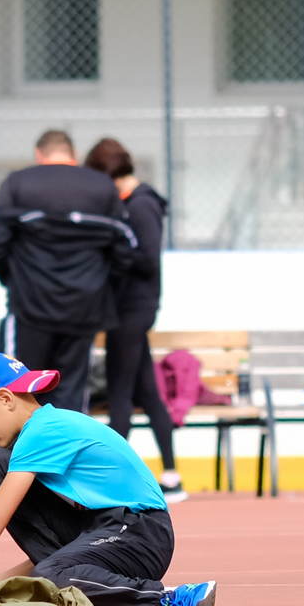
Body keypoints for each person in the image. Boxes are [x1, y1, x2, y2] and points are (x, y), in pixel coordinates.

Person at [0, 351, 216, 606]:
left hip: (141, 534)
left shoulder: (43, 430)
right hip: (105, 529)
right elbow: (54, 559)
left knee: (49, 576)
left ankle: (168, 597)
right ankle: (83, 590)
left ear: (6, 399)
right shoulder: (40, 429)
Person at [0, 129, 131, 416]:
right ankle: (66, 447)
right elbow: (125, 247)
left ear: (39, 154)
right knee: (72, 396)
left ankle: (25, 447)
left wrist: (12, 279)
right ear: (73, 154)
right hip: (83, 307)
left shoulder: (18, 183)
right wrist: (100, 284)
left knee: (20, 394)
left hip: (29, 306)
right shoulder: (101, 186)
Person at [85, 137, 182, 496]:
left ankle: (112, 477)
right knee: (147, 391)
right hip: (127, 307)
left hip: (134, 308)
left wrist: (111, 251)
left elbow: (147, 259)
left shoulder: (141, 205)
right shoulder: (130, 203)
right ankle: (171, 475)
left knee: (120, 391)